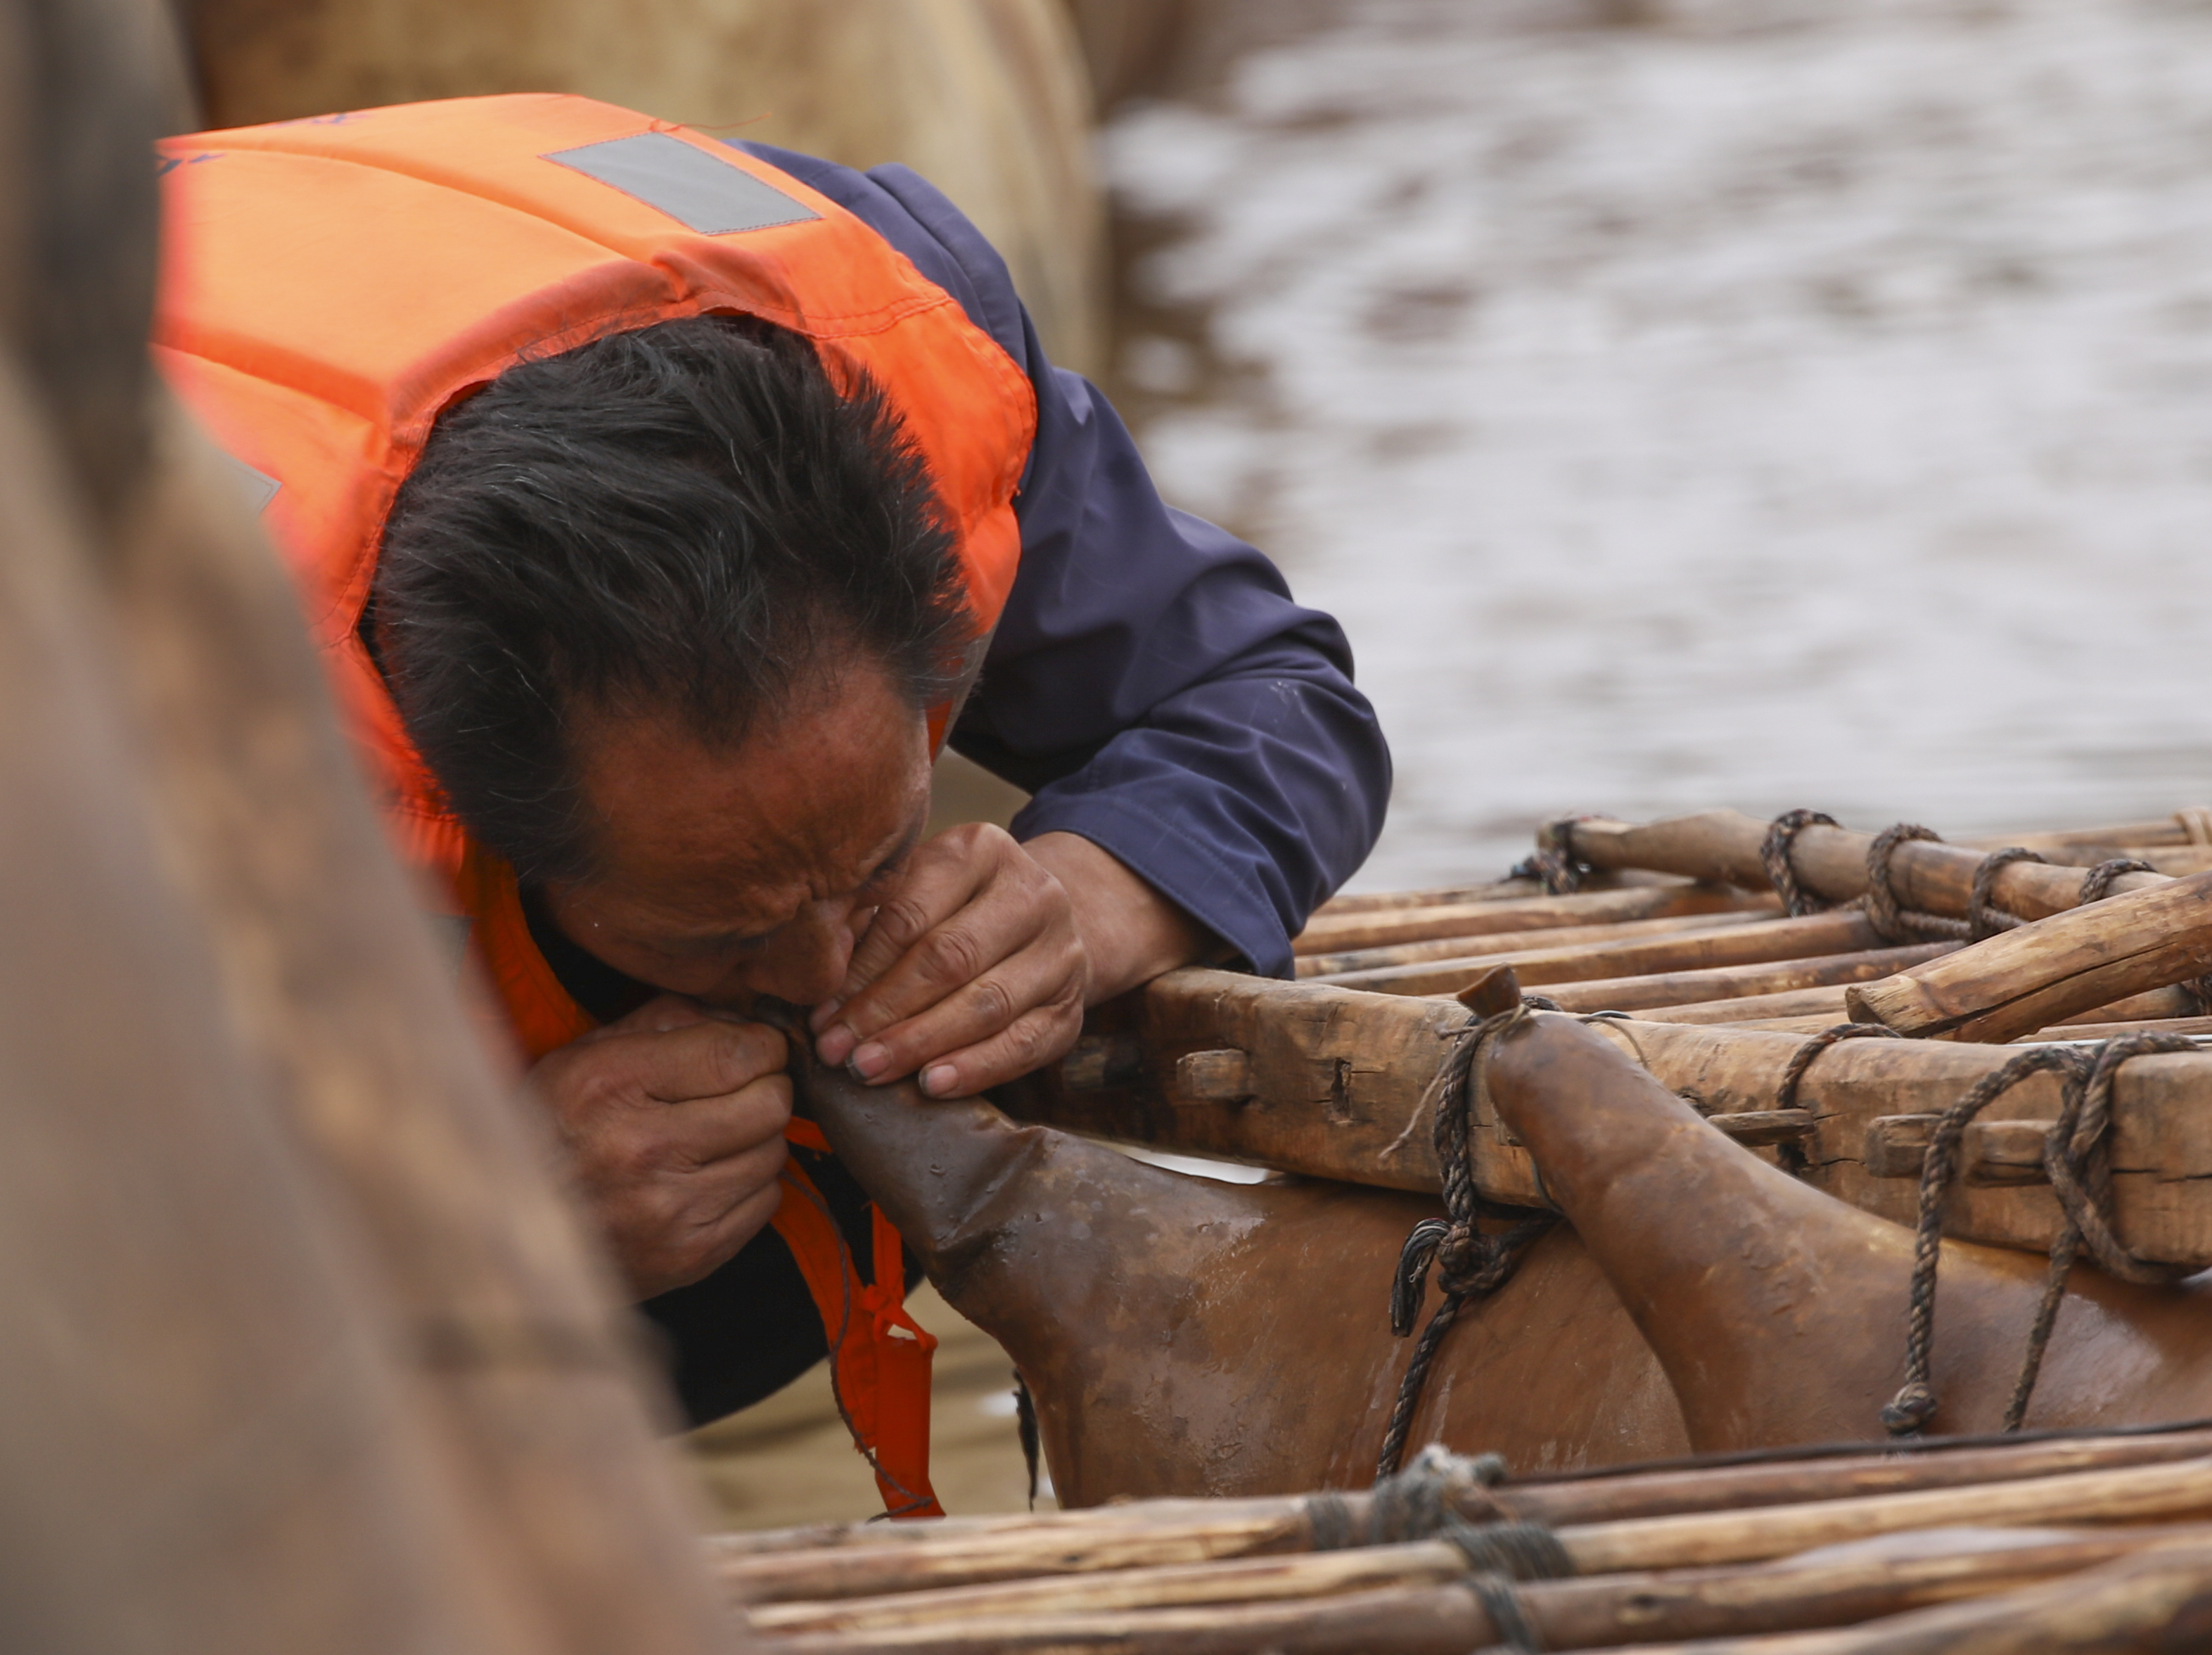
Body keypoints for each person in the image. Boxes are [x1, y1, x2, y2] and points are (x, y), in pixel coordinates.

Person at [155, 94, 1389, 1514]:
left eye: (875, 858)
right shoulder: (121, 679)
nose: (827, 972)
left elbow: (1262, 687)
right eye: (721, 931)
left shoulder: (901, 338)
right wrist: (451, 1225)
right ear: (465, 797)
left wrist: (1100, 888)